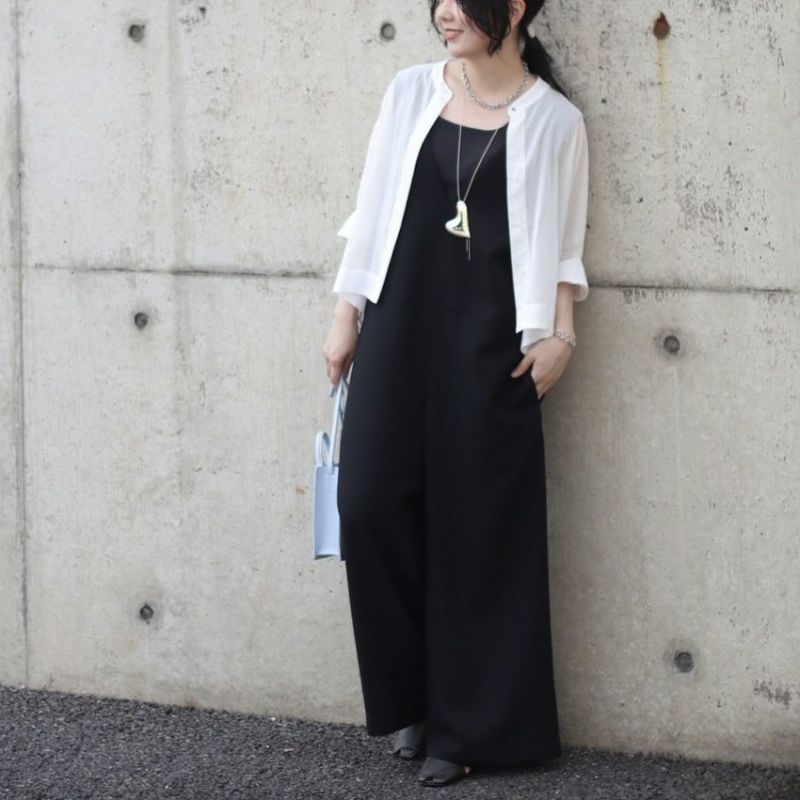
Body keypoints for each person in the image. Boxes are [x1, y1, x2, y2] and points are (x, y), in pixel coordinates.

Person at [321, 0, 589, 787]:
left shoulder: (555, 120)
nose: (443, 12)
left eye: (461, 0)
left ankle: (469, 728)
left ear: (514, 7)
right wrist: (344, 317)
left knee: (480, 532)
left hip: (493, 344)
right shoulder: (410, 90)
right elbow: (370, 209)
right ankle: (409, 698)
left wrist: (561, 334)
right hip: (399, 326)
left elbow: (564, 243)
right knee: (368, 503)